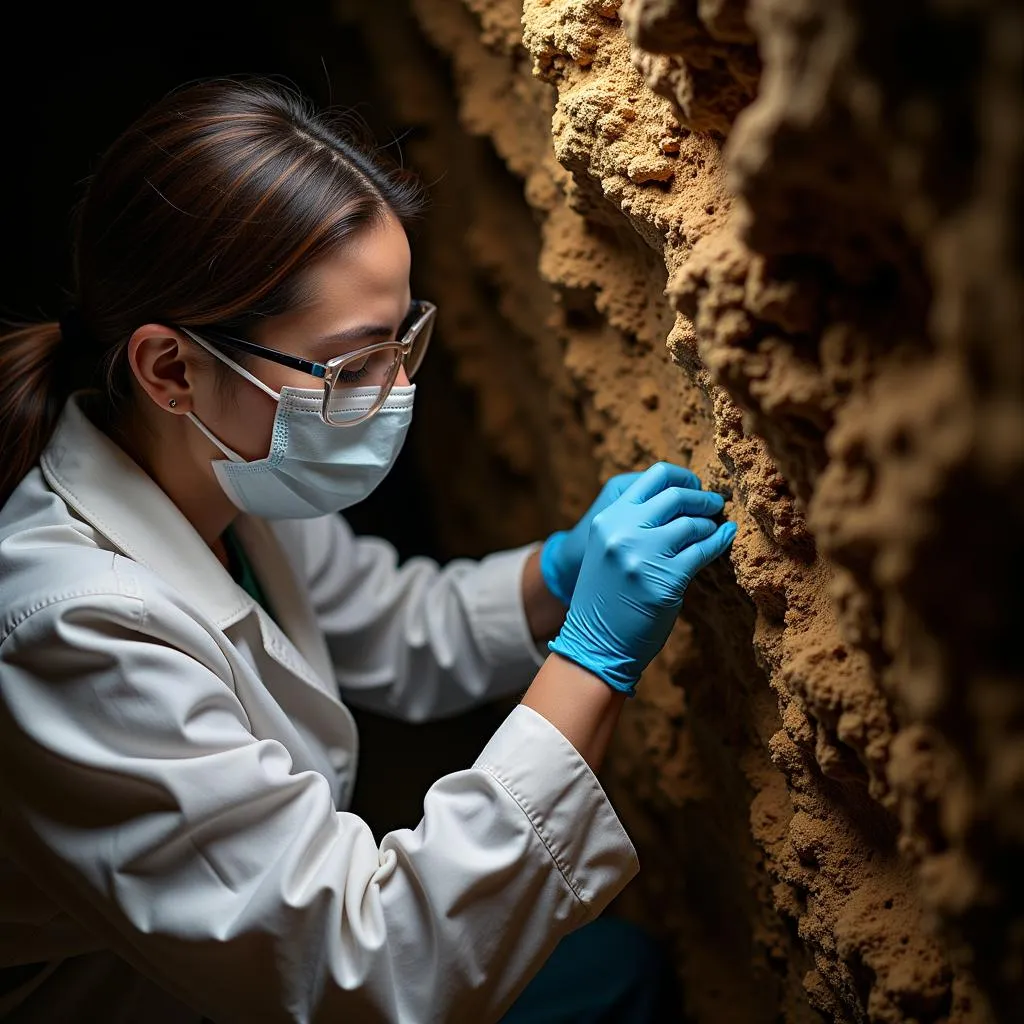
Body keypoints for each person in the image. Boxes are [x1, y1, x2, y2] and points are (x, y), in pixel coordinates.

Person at [0, 78, 736, 1023]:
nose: (391, 393)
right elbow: (366, 965)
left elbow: (387, 624)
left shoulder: (224, 470)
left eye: (401, 342)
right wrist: (592, 659)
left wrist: (557, 574)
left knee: (616, 971)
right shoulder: (69, 632)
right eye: (353, 363)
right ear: (171, 368)